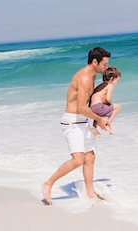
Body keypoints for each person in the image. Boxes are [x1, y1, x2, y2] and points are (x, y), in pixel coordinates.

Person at [42, 47, 111, 205]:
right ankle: (48, 184)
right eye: (104, 64)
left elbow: (89, 103)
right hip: (72, 122)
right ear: (95, 62)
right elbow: (81, 107)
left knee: (90, 157)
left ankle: (90, 193)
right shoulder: (84, 78)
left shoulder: (92, 76)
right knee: (78, 159)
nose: (105, 67)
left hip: (82, 121)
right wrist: (99, 121)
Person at [89, 66, 122, 138]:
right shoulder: (110, 85)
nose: (117, 82)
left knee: (98, 113)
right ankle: (107, 124)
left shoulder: (101, 85)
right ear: (111, 79)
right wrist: (109, 103)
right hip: (98, 107)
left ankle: (94, 128)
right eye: (117, 80)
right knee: (118, 107)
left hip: (91, 108)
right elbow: (108, 98)